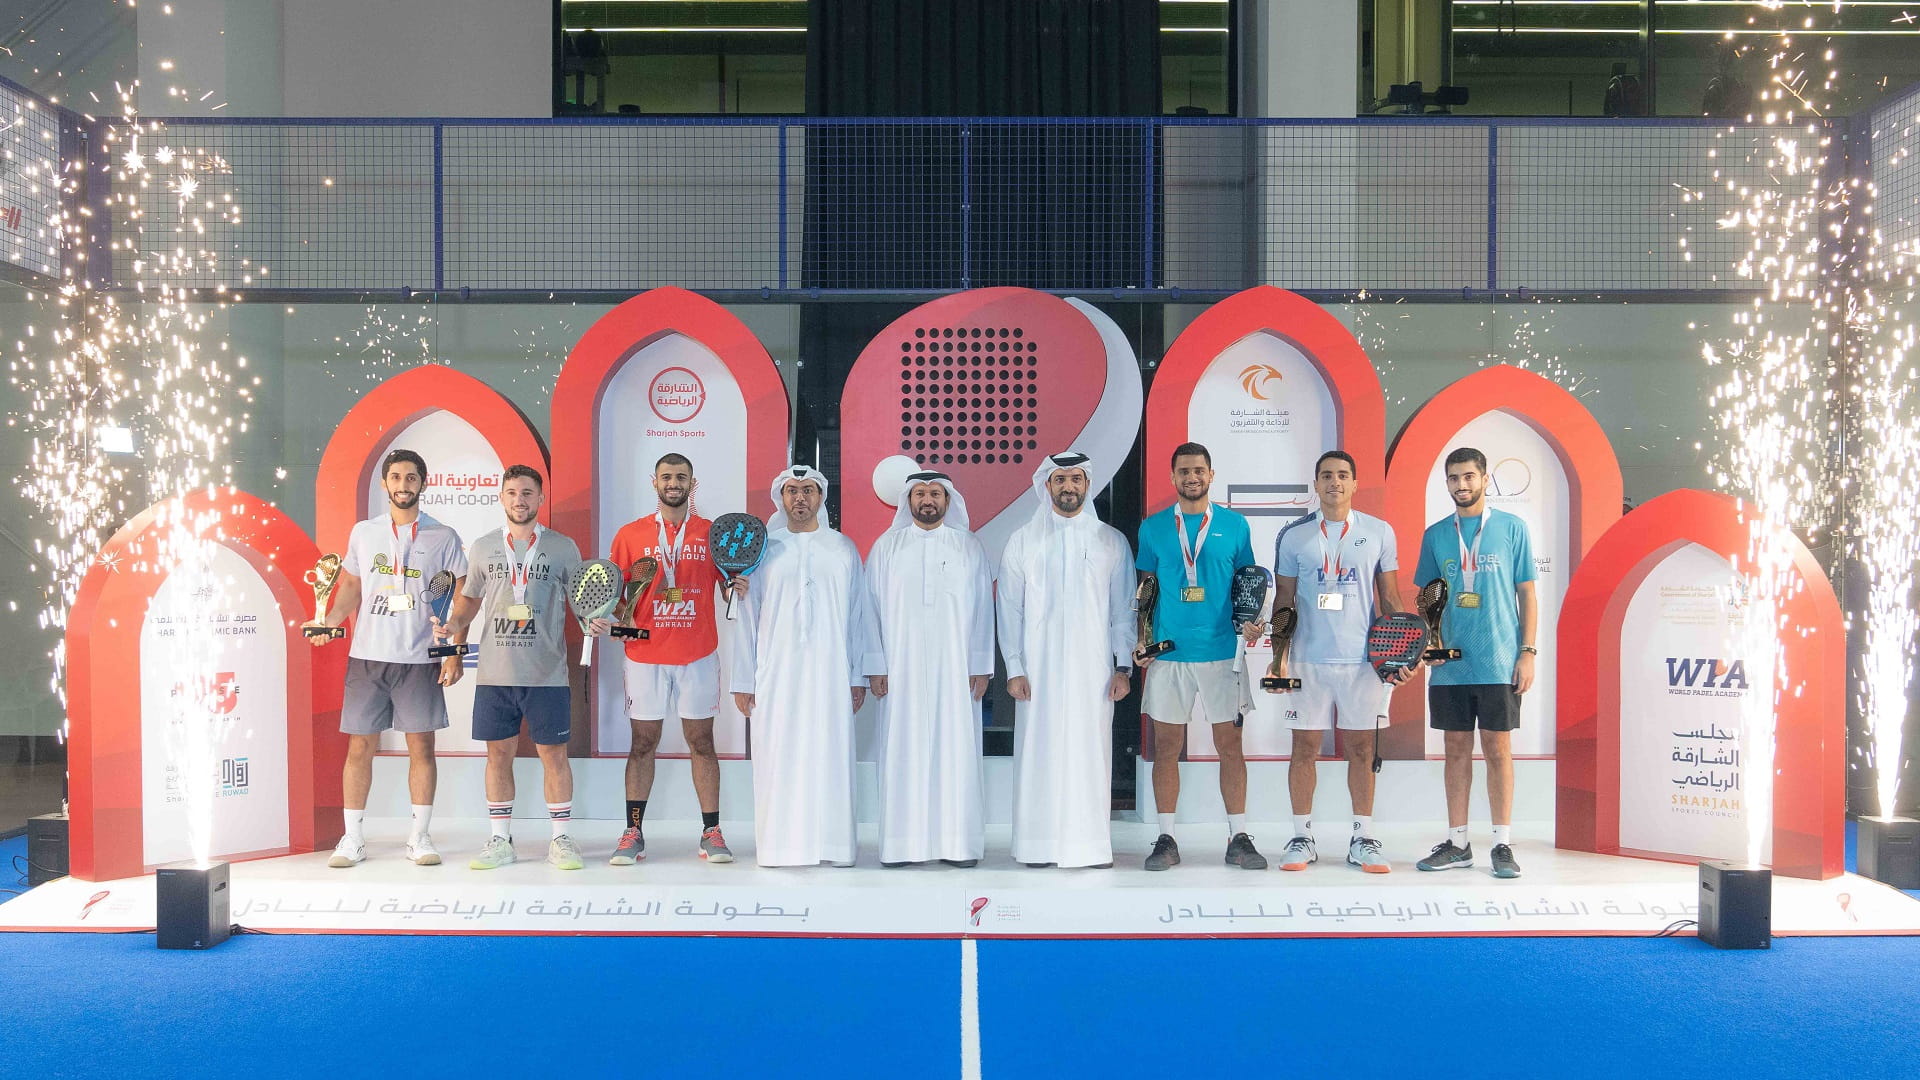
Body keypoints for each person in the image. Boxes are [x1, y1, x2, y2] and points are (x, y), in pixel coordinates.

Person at [305, 448, 467, 868]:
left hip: (419, 656)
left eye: (411, 478)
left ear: (423, 483)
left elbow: (462, 599)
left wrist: (452, 651)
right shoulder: (363, 533)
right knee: (360, 747)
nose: (403, 485)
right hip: (368, 656)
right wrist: (328, 620)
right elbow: (352, 588)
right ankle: (353, 838)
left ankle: (419, 837)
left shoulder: (444, 536)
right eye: (395, 477)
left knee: (422, 748)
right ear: (385, 484)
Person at [435, 465, 603, 871]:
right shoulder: (482, 547)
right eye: (512, 492)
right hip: (495, 673)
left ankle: (561, 838)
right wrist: (454, 625)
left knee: (554, 756)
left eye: (527, 493)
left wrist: (593, 619)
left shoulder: (562, 547)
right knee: (498, 756)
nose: (519, 500)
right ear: (501, 497)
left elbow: (582, 599)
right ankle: (499, 840)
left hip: (547, 674)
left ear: (540, 499)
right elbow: (470, 600)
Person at [728, 465, 883, 867]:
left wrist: (856, 676)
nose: (800, 498)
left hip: (831, 674)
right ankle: (781, 847)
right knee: (778, 755)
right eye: (792, 491)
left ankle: (833, 846)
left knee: (829, 754)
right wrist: (744, 679)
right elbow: (747, 617)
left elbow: (857, 617)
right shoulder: (763, 550)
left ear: (821, 497)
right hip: (775, 674)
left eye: (808, 490)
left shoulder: (843, 548)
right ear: (780, 498)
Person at [1267, 450, 1413, 874]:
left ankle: (1363, 837)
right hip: (1308, 660)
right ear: (1315, 485)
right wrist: (1278, 660)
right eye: (1326, 476)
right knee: (1304, 748)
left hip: (1362, 661)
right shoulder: (1294, 536)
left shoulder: (1379, 531)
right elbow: (1284, 602)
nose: (1335, 482)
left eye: (1343, 475)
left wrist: (1398, 653)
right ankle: (1301, 836)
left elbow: (1390, 597)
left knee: (1361, 748)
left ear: (1354, 483)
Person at [1135, 442, 1267, 871]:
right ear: (1172, 477)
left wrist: (1252, 622)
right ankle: (1166, 838)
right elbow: (1146, 592)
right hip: (1169, 655)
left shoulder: (1235, 525)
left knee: (1230, 746)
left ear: (1211, 475)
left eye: (1199, 470)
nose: (1191, 477)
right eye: (1183, 471)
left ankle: (1239, 836)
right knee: (1167, 747)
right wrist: (1144, 637)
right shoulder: (1153, 528)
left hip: (1221, 653)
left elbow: (1248, 583)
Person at [999, 452, 1133, 870]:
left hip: (1093, 669)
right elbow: (1010, 608)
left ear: (1087, 485)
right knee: (1038, 751)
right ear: (1047, 486)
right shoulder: (1023, 540)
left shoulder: (1110, 541)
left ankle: (1088, 846)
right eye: (1060, 480)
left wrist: (1123, 665)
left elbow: (1122, 609)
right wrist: (1015, 666)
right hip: (1037, 671)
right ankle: (1037, 845)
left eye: (1076, 479)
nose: (1069, 487)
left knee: (1089, 752)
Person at [1413, 447, 1537, 880]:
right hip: (1450, 663)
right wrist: (1432, 640)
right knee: (1455, 751)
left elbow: (1527, 594)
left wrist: (1528, 652)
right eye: (1453, 478)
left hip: (1500, 658)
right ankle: (1459, 842)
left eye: (1469, 477)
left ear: (1485, 479)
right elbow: (1427, 596)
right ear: (1446, 483)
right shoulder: (1435, 535)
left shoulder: (1511, 528)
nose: (1461, 485)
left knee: (1498, 750)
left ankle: (1502, 843)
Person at [607, 453, 736, 865]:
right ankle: (632, 832)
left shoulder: (713, 533)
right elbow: (616, 599)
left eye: (681, 477)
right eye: (667, 476)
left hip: (697, 655)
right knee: (642, 743)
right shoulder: (629, 535)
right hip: (644, 656)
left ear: (692, 483)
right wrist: (605, 620)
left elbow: (729, 590)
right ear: (654, 482)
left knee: (702, 742)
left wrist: (740, 587)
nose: (673, 483)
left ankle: (711, 831)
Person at [866, 471, 995, 868]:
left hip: (956, 668)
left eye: (935, 493)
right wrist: (875, 664)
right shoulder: (887, 547)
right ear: (908, 500)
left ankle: (957, 844)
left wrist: (981, 665)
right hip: (899, 668)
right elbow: (869, 611)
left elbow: (981, 612)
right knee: (902, 750)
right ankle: (902, 845)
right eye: (920, 493)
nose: (927, 500)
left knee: (956, 750)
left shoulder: (968, 547)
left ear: (947, 500)